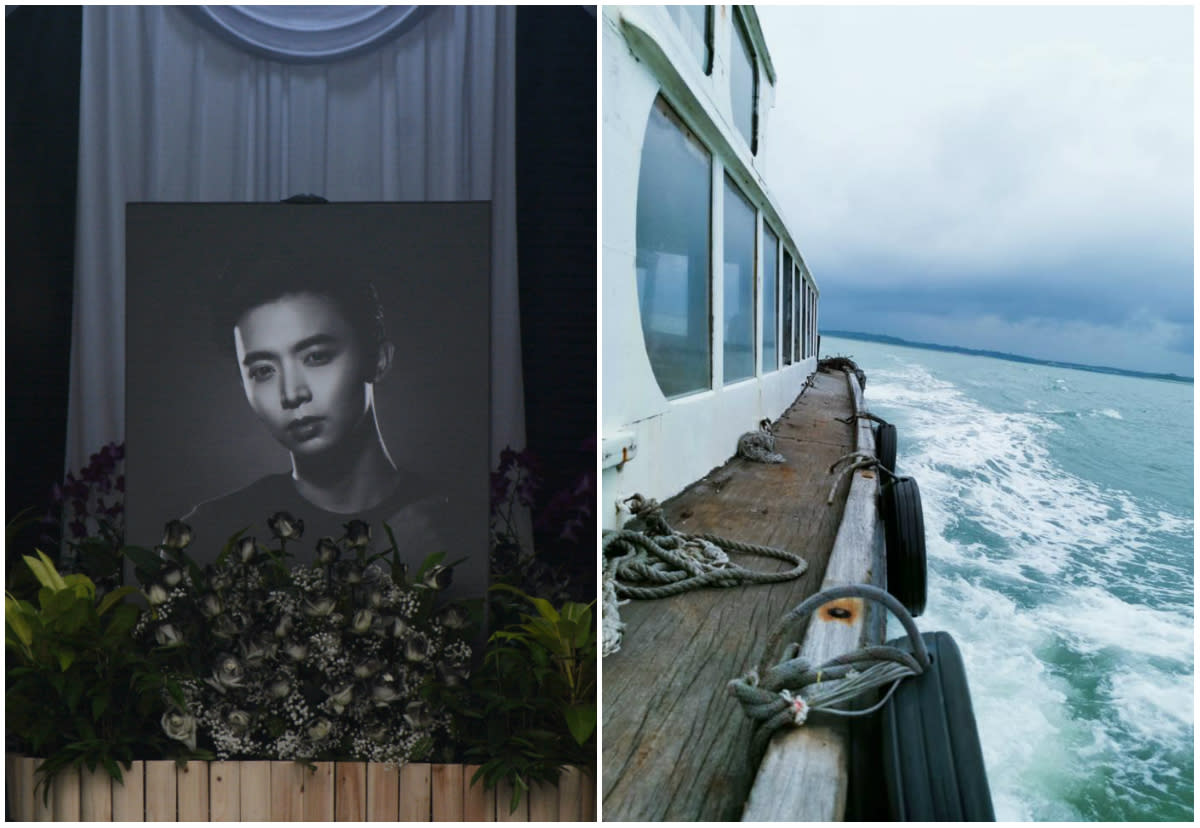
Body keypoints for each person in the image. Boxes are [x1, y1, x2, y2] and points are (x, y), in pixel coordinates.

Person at [182, 246, 451, 567]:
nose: (291, 393)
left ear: (378, 359)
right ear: (244, 386)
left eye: (316, 356)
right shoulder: (208, 535)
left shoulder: (450, 524)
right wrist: (388, 569)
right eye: (263, 371)